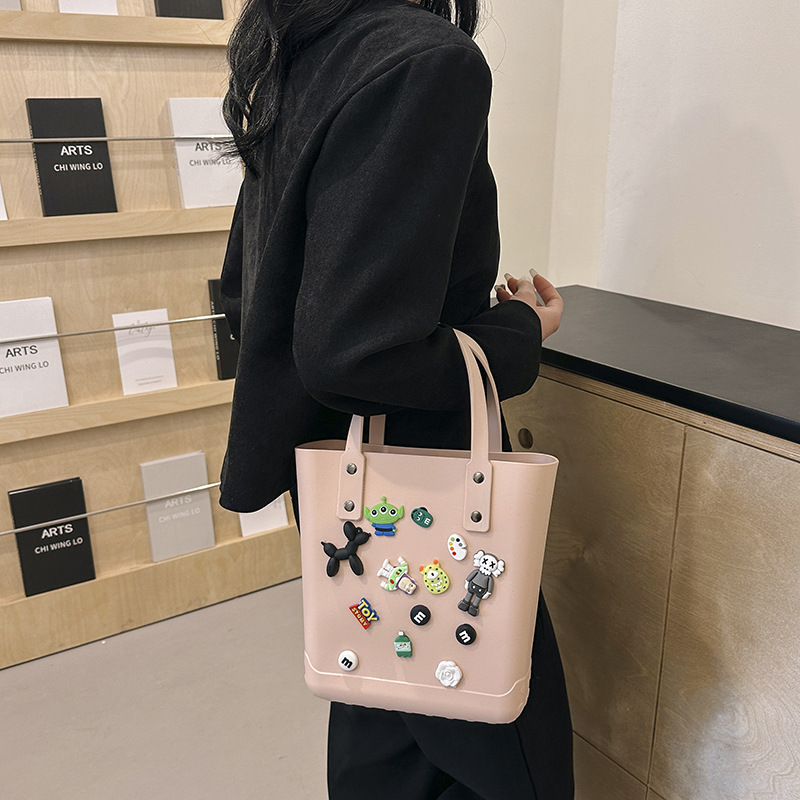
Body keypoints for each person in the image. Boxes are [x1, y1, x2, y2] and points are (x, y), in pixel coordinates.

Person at [218, 0, 573, 797]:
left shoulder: (294, 54)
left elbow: (250, 291)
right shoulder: (427, 60)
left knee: (377, 704)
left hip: (343, 479)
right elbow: (355, 352)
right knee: (500, 736)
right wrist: (516, 329)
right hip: (430, 481)